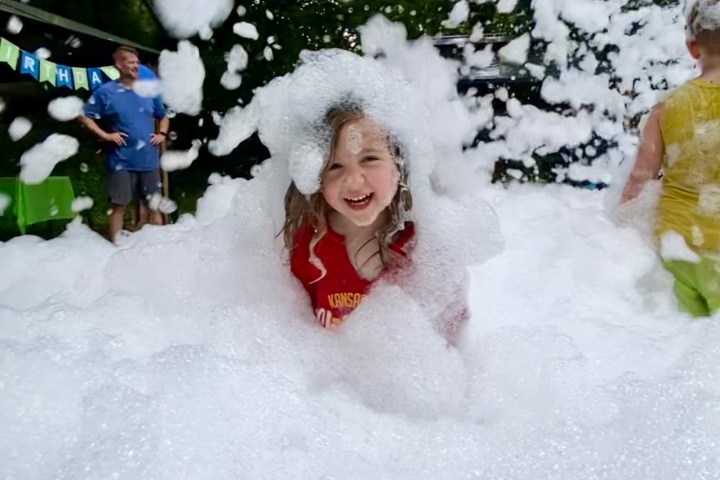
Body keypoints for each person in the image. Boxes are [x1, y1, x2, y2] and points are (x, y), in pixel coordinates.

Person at [620, 0, 720, 316]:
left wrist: (617, 232)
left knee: (685, 341)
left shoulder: (666, 108)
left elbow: (639, 180)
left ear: (692, 48)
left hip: (678, 244)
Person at [284, 104, 415, 328]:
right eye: (334, 166)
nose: (354, 180)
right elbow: (294, 326)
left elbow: (452, 339)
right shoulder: (308, 245)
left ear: (397, 163)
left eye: (369, 159)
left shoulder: (421, 249)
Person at [78, 45, 170, 243]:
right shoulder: (105, 92)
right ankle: (115, 251)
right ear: (118, 64)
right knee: (118, 206)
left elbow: (163, 117)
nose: (136, 66)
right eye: (131, 62)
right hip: (121, 161)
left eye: (137, 62)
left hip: (148, 160)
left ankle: (163, 250)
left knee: (154, 206)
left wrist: (162, 134)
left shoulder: (148, 92)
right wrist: (105, 135)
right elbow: (84, 116)